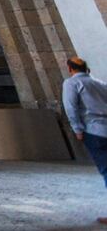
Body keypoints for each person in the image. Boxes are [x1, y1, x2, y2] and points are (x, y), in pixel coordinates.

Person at [62, 56, 107, 207]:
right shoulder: (100, 83)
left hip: (93, 130)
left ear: (70, 68)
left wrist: (77, 129)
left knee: (105, 168)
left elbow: (71, 108)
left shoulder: (71, 83)